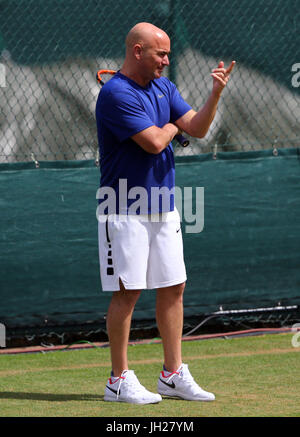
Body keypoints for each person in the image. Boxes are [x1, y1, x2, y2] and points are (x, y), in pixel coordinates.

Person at [95, 22, 235, 404]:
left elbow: (199, 129)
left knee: (174, 287)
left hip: (164, 207)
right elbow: (156, 141)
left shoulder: (165, 87)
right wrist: (174, 126)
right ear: (137, 51)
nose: (166, 61)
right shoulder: (114, 94)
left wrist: (215, 94)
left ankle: (172, 375)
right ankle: (118, 380)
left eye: (169, 53)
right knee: (128, 291)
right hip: (123, 207)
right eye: (161, 54)